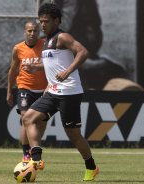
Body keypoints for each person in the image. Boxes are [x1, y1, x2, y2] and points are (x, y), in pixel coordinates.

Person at [22, 3, 99, 181]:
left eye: (46, 21)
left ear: (57, 21)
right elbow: (53, 64)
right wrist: (36, 68)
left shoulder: (62, 37)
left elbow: (83, 52)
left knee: (73, 133)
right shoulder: (46, 41)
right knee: (28, 118)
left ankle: (91, 166)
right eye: (40, 21)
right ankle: (36, 159)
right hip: (53, 91)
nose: (42, 24)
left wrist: (67, 71)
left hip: (69, 92)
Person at [6, 21, 47, 163]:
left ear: (38, 32)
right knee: (26, 118)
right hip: (25, 88)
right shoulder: (18, 48)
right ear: (25, 32)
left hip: (43, 89)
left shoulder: (45, 45)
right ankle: (26, 154)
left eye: (35, 31)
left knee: (41, 122)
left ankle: (34, 148)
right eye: (29, 31)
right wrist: (9, 91)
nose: (32, 33)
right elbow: (12, 71)